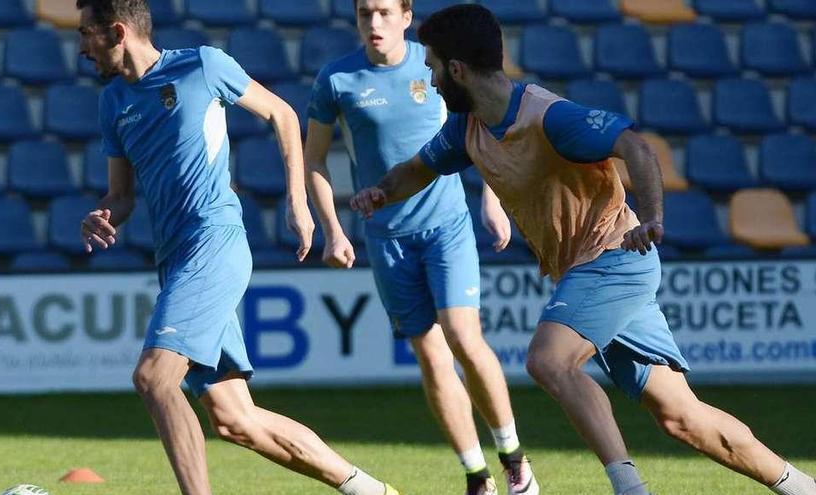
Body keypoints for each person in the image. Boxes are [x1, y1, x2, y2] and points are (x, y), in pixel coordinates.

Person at [350, 4, 816, 495]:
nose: (431, 77)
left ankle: (629, 488)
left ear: (458, 70)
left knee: (548, 362)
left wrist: (654, 218)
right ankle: (800, 485)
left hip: (614, 258)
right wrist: (382, 191)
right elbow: (419, 168)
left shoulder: (549, 118)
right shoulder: (468, 129)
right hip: (591, 270)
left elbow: (636, 147)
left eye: (434, 68)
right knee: (680, 416)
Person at [76, 1, 398, 494]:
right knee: (233, 418)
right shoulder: (111, 102)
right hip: (176, 257)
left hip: (214, 241)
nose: (80, 48)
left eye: (86, 34)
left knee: (154, 379)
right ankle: (365, 487)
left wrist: (297, 203)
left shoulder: (202, 65)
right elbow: (121, 196)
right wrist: (102, 214)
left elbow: (283, 115)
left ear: (117, 32)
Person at [305, 1, 538, 494]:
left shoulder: (433, 66)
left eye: (386, 12)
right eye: (365, 13)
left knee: (462, 336)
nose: (375, 23)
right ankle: (477, 474)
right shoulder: (336, 79)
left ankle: (514, 458)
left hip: (445, 226)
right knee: (431, 357)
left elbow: (484, 121)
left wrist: (492, 198)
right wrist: (332, 228)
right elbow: (315, 160)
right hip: (386, 238)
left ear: (406, 17)